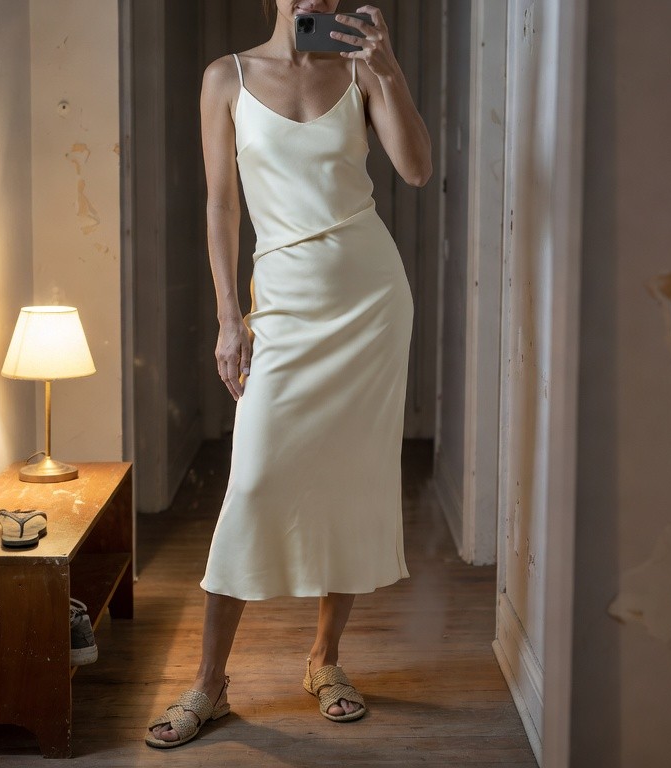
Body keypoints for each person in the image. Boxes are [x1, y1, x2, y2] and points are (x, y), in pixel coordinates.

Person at [143, 0, 432, 749]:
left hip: (370, 302)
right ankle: (209, 684)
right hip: (284, 307)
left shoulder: (360, 70)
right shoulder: (227, 78)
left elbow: (417, 169)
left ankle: (326, 661)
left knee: (356, 477)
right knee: (256, 482)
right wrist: (227, 317)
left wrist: (388, 71)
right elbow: (220, 204)